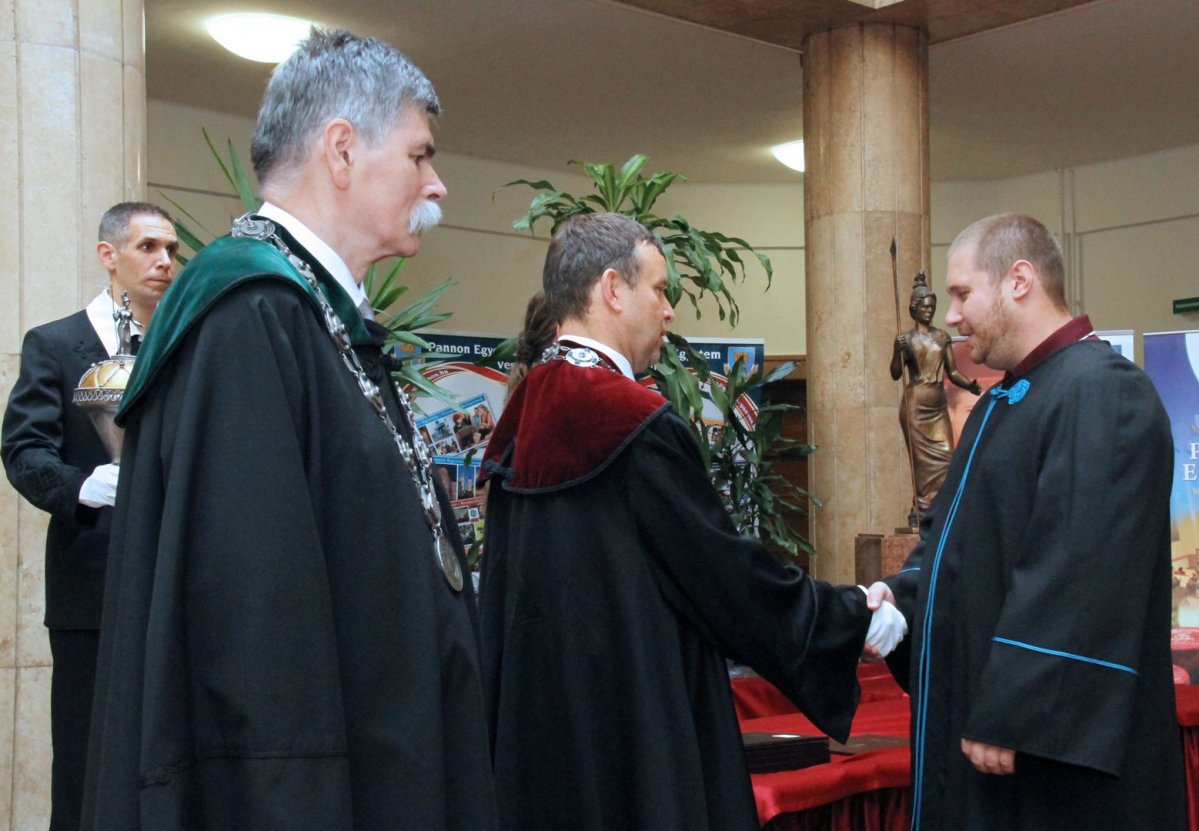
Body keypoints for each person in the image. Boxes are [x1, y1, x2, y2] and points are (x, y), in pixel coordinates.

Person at [81, 29, 498, 829]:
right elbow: (251, 634)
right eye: (419, 155)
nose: (437, 183)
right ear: (342, 151)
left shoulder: (314, 316)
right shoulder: (250, 316)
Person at [478, 212, 907, 831]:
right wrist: (850, 616)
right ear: (612, 289)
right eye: (659, 289)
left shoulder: (520, 417)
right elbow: (726, 580)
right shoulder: (633, 421)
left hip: (540, 740)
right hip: (635, 733)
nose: (670, 310)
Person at [868, 213, 1185, 830]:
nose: (952, 316)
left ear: (1019, 280)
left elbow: (1082, 570)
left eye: (962, 294)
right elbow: (953, 541)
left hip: (1046, 754)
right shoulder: (1006, 400)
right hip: (988, 738)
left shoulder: (1104, 391)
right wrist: (898, 602)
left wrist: (1016, 709)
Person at [1, 202, 177, 831]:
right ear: (109, 255)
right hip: (90, 585)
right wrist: (84, 487)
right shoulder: (54, 344)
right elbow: (24, 450)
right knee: (84, 761)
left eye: (171, 249)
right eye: (148, 247)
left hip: (174, 582)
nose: (164, 261)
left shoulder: (183, 343)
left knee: (168, 759)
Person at [889, 272, 981, 517]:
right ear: (914, 309)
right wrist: (897, 351)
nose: (928, 311)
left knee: (946, 457)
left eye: (932, 307)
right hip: (915, 405)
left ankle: (942, 507)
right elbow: (896, 374)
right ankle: (922, 510)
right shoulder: (906, 339)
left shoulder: (942, 337)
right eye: (924, 307)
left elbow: (953, 372)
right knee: (921, 464)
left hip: (937, 404)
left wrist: (971, 385)